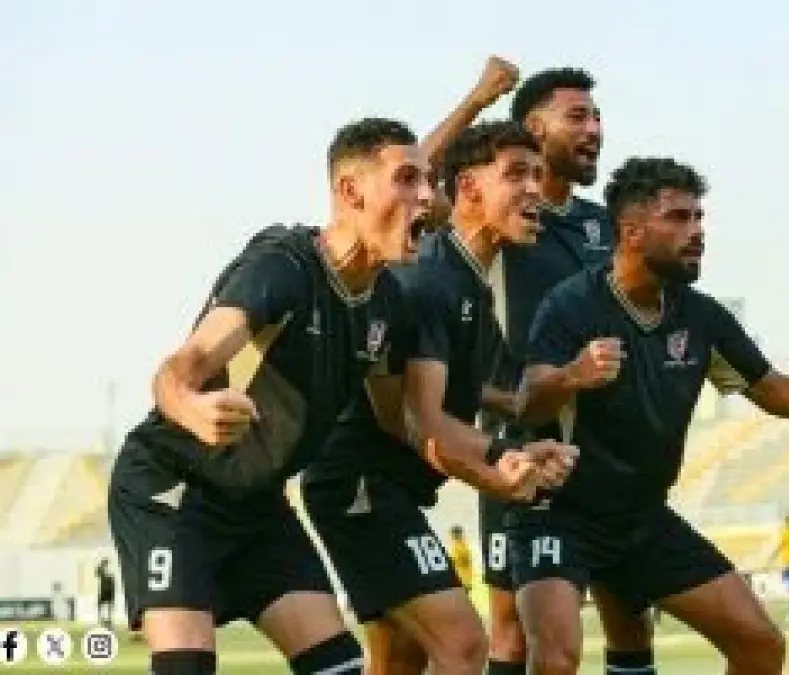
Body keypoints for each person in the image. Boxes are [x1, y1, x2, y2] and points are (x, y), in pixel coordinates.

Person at [513, 156, 789, 675]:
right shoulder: (572, 305)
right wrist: (572, 375)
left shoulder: (701, 316)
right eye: (679, 218)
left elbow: (780, 392)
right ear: (632, 231)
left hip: (643, 519)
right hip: (559, 514)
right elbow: (528, 401)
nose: (697, 232)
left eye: (699, 218)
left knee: (760, 645)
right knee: (556, 659)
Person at [106, 118, 434, 675]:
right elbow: (180, 368)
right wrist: (194, 409)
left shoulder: (387, 306)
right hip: (174, 487)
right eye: (407, 179)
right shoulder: (282, 267)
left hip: (257, 506)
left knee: (339, 668)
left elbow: (399, 421)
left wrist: (498, 454)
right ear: (350, 192)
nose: (426, 195)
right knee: (186, 665)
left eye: (428, 180)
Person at [302, 120, 574, 675]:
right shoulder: (431, 281)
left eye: (538, 175)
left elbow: (496, 398)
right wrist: (501, 467)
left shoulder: (467, 284)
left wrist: (542, 420)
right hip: (361, 487)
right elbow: (424, 424)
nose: (534, 190)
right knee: (463, 644)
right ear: (467, 188)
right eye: (516, 174)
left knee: (401, 657)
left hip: (390, 487)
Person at [482, 67, 659, 675]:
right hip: (521, 442)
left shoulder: (604, 225)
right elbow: (423, 179)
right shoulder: (502, 222)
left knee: (630, 616)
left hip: (606, 451)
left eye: (597, 116)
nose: (594, 129)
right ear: (534, 129)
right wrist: (480, 98)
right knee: (513, 632)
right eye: (577, 117)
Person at [449, 526, 476, 596]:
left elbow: (463, 560)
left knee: (466, 592)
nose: (454, 536)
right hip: (465, 575)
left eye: (456, 534)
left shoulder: (460, 545)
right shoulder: (460, 544)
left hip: (464, 575)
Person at [96, 558, 116, 629]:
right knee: (101, 605)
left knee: (109, 605)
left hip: (109, 589)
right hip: (104, 589)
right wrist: (101, 565)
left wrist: (113, 592)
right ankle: (101, 618)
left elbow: (112, 580)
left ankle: (109, 619)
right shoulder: (101, 570)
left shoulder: (109, 571)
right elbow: (97, 572)